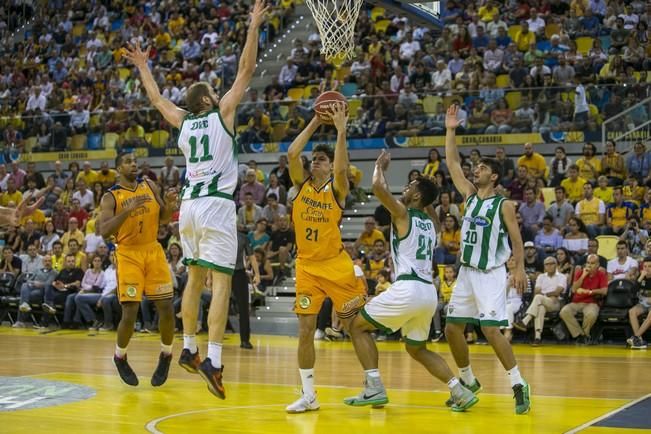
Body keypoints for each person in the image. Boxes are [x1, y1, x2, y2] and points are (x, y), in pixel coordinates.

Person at [123, 0, 268, 400]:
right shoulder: (221, 112)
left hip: (188, 207)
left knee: (193, 278)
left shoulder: (183, 120)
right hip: (217, 205)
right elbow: (247, 70)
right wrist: (253, 26)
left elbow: (155, 100)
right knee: (220, 282)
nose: (220, 93)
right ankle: (215, 361)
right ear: (207, 100)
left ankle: (188, 348)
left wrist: (142, 66)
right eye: (214, 92)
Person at [344, 150, 477, 411]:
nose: (404, 189)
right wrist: (427, 193)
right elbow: (433, 214)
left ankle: (374, 387)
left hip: (408, 287)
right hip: (428, 293)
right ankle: (459, 390)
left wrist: (379, 166)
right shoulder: (431, 222)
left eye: (409, 187)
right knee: (417, 349)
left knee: (356, 326)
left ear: (415, 196)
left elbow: (378, 189)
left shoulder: (402, 214)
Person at [284, 103, 373, 413]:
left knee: (356, 326)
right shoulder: (300, 186)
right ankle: (309, 395)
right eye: (315, 159)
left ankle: (373, 384)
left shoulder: (337, 188)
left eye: (320, 159)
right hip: (307, 268)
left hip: (336, 266)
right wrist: (314, 121)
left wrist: (340, 130)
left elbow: (340, 169)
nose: (314, 162)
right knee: (306, 330)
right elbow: (292, 155)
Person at [443, 105, 531, 415]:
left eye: (480, 168)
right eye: (474, 167)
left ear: (493, 175)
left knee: (491, 331)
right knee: (451, 328)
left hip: (492, 273)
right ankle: (468, 380)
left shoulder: (504, 204)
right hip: (467, 272)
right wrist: (451, 129)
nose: (474, 170)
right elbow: (452, 162)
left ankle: (519, 384)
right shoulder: (467, 195)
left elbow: (517, 241)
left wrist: (518, 267)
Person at [99, 152, 177, 387]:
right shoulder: (110, 197)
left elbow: (163, 219)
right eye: (128, 162)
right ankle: (120, 356)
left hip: (153, 250)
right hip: (128, 253)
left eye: (135, 161)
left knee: (166, 306)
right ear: (118, 169)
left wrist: (170, 207)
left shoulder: (150, 186)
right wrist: (127, 211)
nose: (133, 164)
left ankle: (166, 354)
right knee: (130, 311)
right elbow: (104, 231)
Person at [514, 256, 566, 345]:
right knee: (540, 307)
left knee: (538, 298)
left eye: (551, 264)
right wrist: (549, 294)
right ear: (544, 266)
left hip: (555, 303)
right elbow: (536, 291)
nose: (549, 266)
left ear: (556, 265)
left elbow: (557, 292)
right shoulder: (541, 277)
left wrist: (545, 294)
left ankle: (526, 320)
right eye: (547, 264)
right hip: (543, 301)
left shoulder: (562, 277)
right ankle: (537, 337)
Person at [559, 254, 607, 344]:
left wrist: (589, 292)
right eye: (588, 263)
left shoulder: (601, 274)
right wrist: (583, 275)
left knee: (591, 314)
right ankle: (580, 335)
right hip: (576, 302)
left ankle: (585, 335)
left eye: (592, 263)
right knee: (564, 312)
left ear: (597, 265)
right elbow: (573, 289)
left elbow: (604, 291)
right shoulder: (580, 272)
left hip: (592, 302)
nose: (589, 265)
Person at [233, 230, 260, 349]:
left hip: (239, 272)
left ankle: (245, 339)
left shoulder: (243, 237)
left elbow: (252, 256)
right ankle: (214, 339)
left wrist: (257, 274)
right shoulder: (220, 234)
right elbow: (213, 256)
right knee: (219, 305)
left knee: (243, 307)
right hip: (223, 272)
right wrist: (209, 276)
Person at [627, 257, 651, 349]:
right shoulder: (641, 277)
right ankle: (639, 340)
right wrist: (640, 278)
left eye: (649, 266)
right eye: (645, 266)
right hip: (644, 304)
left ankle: (635, 337)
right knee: (632, 312)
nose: (647, 268)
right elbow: (632, 292)